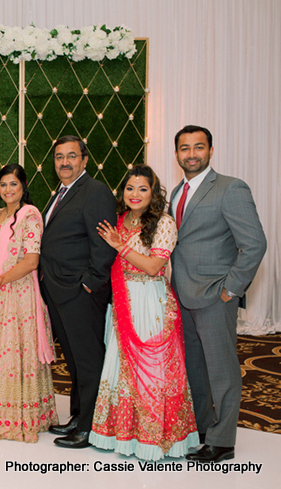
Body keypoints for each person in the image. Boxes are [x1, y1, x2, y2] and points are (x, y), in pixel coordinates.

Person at [169, 125, 266, 463]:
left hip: (214, 296)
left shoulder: (230, 188)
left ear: (211, 151)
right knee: (195, 368)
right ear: (177, 153)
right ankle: (200, 429)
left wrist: (231, 289)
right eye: (184, 148)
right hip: (183, 295)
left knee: (221, 370)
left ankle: (223, 442)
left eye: (198, 147)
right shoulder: (177, 192)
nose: (191, 154)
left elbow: (254, 245)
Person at [89, 164, 199, 460]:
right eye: (129, 188)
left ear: (154, 193)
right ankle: (122, 434)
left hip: (151, 302)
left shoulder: (163, 223)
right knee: (120, 367)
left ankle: (153, 437)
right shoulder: (119, 221)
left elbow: (153, 266)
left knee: (153, 371)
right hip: (123, 300)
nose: (134, 194)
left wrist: (119, 246)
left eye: (142, 188)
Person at [39, 135, 117, 449]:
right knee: (73, 361)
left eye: (72, 156)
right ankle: (77, 416)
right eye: (59, 157)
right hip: (57, 291)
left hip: (79, 293)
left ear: (84, 159)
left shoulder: (95, 191)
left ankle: (89, 428)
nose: (65, 162)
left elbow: (103, 247)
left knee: (88, 361)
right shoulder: (60, 193)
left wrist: (88, 284)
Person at [0, 164, 57, 443]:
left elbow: (31, 261)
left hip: (17, 294)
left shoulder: (30, 214)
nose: (8, 189)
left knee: (15, 355)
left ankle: (20, 417)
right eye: (3, 185)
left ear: (23, 186)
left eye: (14, 184)